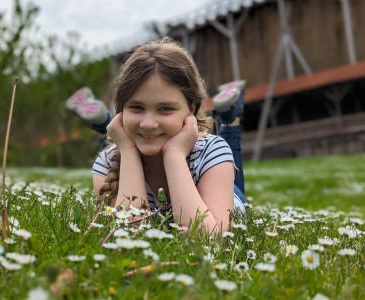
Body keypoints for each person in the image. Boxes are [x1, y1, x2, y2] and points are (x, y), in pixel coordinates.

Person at [66, 38, 246, 233]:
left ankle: (230, 120)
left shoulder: (211, 151)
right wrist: (127, 150)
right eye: (136, 107)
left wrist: (174, 154)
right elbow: (129, 237)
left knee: (226, 152)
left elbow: (211, 240)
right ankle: (228, 116)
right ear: (121, 111)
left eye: (165, 109)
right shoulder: (107, 163)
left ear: (191, 109)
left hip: (218, 186)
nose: (149, 124)